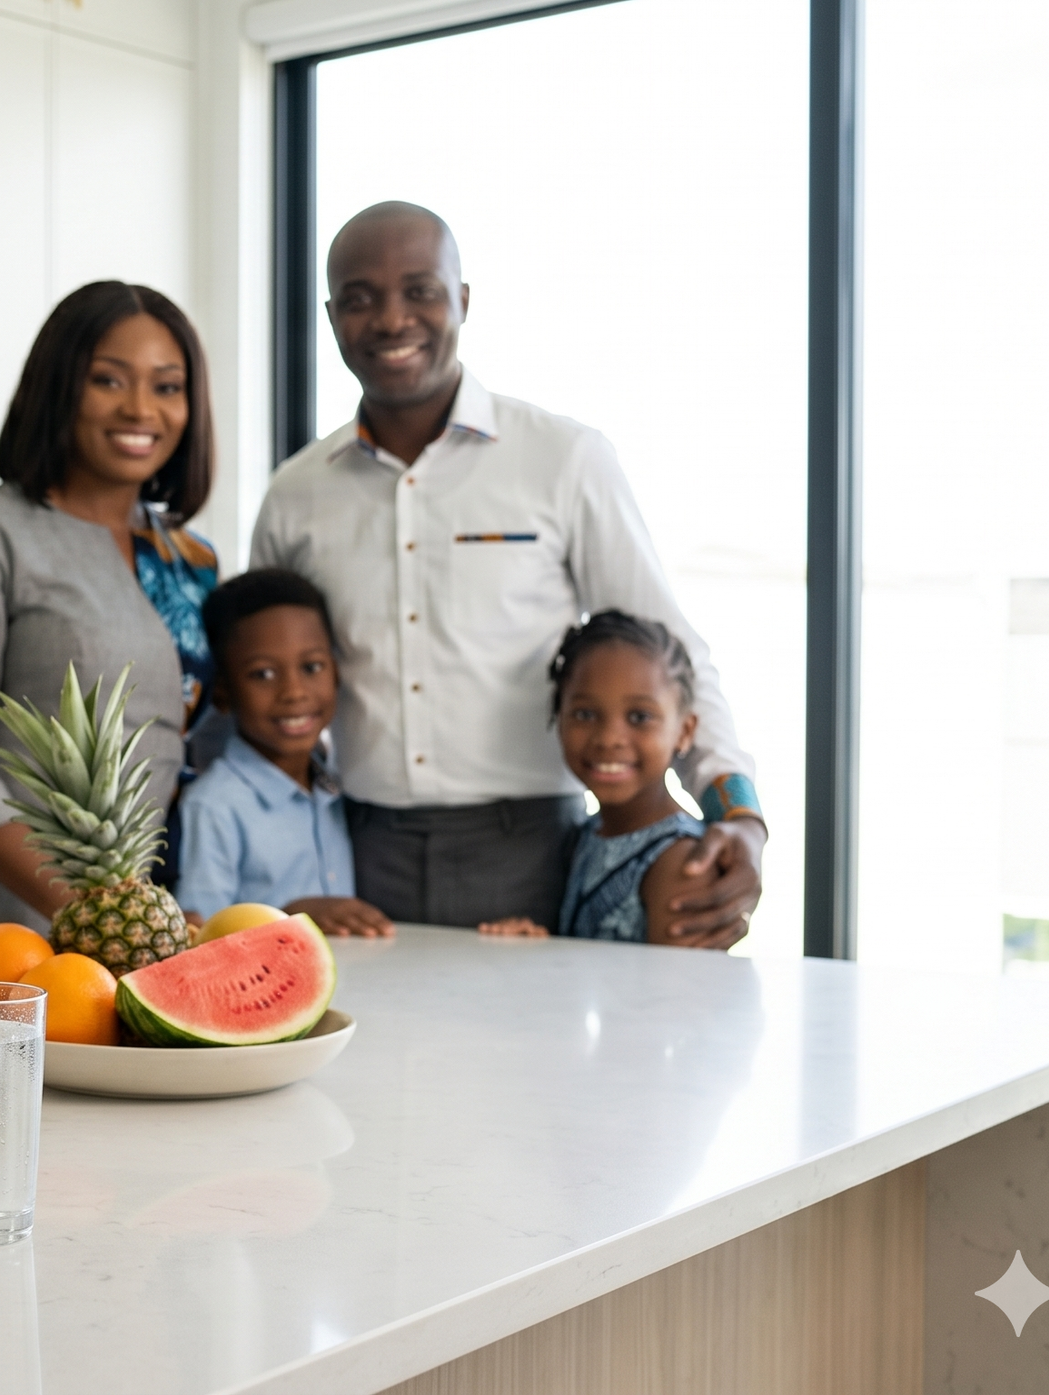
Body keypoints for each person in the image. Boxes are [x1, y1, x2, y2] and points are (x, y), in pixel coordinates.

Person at [249, 202, 765, 935]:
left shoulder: (564, 458)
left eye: (421, 289)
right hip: (348, 851)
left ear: (462, 299)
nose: (392, 319)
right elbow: (253, 684)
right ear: (332, 317)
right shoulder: (295, 494)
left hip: (531, 849)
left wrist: (738, 813)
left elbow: (669, 653)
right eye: (360, 299)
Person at [0, 281, 220, 980]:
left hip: (144, 935)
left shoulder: (190, 559)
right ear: (58, 385)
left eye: (167, 386)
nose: (140, 408)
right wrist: (87, 910)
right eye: (108, 380)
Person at [481, 611, 738, 948]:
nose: (608, 738)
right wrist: (533, 951)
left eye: (639, 717)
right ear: (558, 718)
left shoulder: (681, 862)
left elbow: (677, 999)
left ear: (685, 731)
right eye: (585, 714)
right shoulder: (588, 836)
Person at [175, 569, 392, 937]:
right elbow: (198, 934)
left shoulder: (339, 780)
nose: (293, 692)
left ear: (337, 673)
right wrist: (287, 915)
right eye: (263, 674)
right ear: (223, 692)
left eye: (312, 667)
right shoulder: (213, 805)